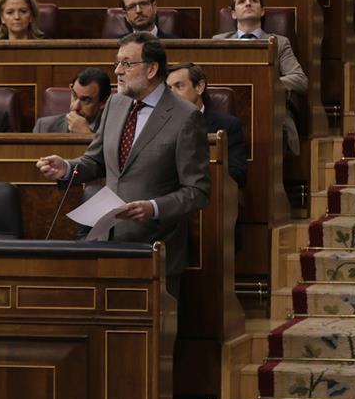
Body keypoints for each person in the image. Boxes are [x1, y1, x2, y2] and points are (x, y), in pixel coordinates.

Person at [36, 32, 210, 297]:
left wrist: (153, 208)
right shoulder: (116, 104)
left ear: (152, 69)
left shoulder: (185, 117)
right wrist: (67, 168)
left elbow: (198, 191)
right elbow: (94, 161)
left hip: (155, 248)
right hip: (107, 243)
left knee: (151, 337)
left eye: (127, 64)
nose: (117, 71)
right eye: (117, 62)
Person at [213, 0, 309, 154]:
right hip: (229, 110)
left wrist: (265, 83)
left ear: (262, 11)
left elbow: (300, 80)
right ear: (233, 14)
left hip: (268, 111)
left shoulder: (279, 42)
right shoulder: (218, 41)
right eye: (242, 1)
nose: (248, 3)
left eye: (253, 0)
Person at [166, 61, 247, 189]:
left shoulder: (228, 125)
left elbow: (238, 174)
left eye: (179, 86)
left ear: (199, 87)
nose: (172, 94)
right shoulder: (160, 124)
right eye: (169, 88)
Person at [34, 68, 111, 134]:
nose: (75, 107)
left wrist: (86, 133)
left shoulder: (113, 131)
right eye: (74, 96)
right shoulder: (43, 127)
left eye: (86, 100)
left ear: (103, 102)